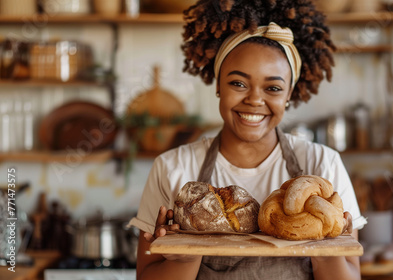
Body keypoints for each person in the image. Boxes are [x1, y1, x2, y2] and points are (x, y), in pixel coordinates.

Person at [128, 0, 367, 279]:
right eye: (238, 83)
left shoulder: (322, 165)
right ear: (218, 84)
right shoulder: (172, 168)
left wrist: (322, 243)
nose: (254, 99)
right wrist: (183, 257)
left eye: (273, 87)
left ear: (289, 94)